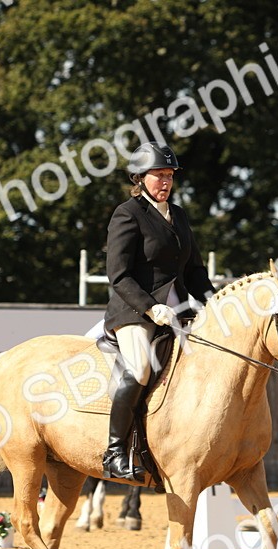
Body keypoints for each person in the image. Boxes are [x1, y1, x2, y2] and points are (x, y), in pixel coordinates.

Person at [102, 141, 216, 481]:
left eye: (169, 175)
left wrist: (215, 304)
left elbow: (194, 270)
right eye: (158, 176)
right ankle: (114, 451)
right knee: (139, 369)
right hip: (134, 312)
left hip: (179, 309)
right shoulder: (128, 214)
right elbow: (118, 275)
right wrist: (151, 308)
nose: (165, 182)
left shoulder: (178, 216)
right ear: (140, 178)